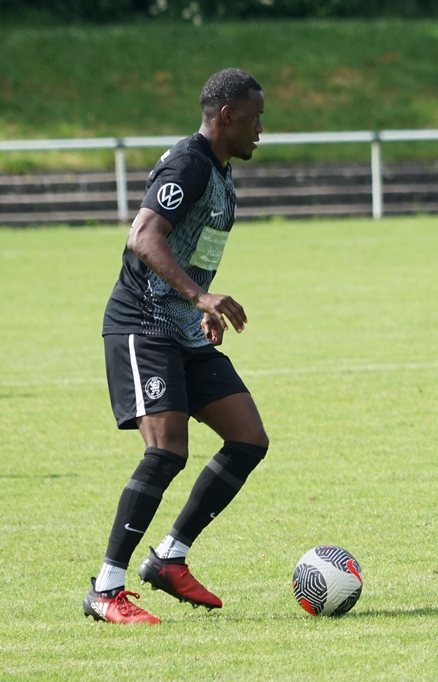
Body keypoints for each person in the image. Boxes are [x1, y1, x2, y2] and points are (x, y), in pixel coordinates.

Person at [83, 68, 268, 625]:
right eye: (255, 118)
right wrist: (200, 295)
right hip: (142, 324)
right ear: (226, 116)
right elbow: (143, 236)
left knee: (248, 438)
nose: (261, 129)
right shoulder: (188, 164)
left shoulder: (221, 173)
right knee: (166, 451)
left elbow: (193, 249)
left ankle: (169, 557)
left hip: (182, 327)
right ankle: (105, 589)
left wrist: (198, 306)